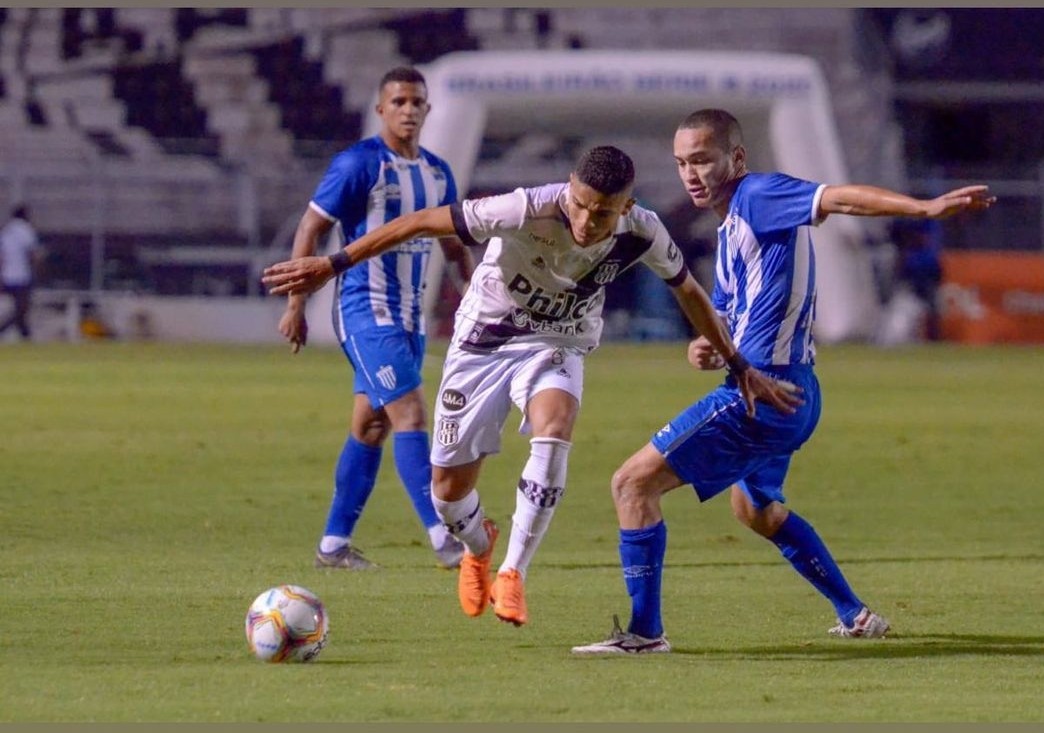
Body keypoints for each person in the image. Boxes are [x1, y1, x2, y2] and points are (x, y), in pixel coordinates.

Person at [263, 144, 801, 627]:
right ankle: (478, 546)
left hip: (558, 343)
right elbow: (423, 222)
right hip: (483, 342)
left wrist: (737, 363)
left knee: (555, 428)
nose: (590, 221)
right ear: (570, 188)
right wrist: (332, 264)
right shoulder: (524, 207)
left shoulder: (644, 231)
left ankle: (514, 574)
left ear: (626, 207)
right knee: (448, 493)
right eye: (583, 205)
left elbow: (688, 292)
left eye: (605, 212)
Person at [571, 108, 996, 654]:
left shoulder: (760, 196)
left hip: (763, 395)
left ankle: (644, 633)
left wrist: (923, 207)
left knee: (632, 485)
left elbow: (838, 197)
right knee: (754, 509)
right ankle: (856, 614)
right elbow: (725, 323)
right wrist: (708, 346)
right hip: (789, 393)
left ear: (736, 158)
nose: (691, 173)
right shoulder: (728, 234)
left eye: (702, 159)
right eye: (681, 163)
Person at [278, 66, 474, 572]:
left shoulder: (437, 173)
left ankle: (332, 546)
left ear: (428, 110)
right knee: (410, 413)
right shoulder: (358, 165)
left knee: (370, 427)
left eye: (417, 102)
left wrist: (473, 297)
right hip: (364, 309)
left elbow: (453, 246)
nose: (409, 110)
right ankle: (444, 538)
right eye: (399, 101)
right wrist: (296, 304)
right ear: (380, 110)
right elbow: (312, 229)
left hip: (409, 318)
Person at [0, 204, 44, 341]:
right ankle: (16, 333)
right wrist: (37, 270)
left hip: (6, 275)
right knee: (22, 309)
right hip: (21, 276)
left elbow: (2, 256)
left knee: (21, 310)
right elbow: (33, 254)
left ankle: (26, 336)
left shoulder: (6, 230)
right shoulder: (25, 230)